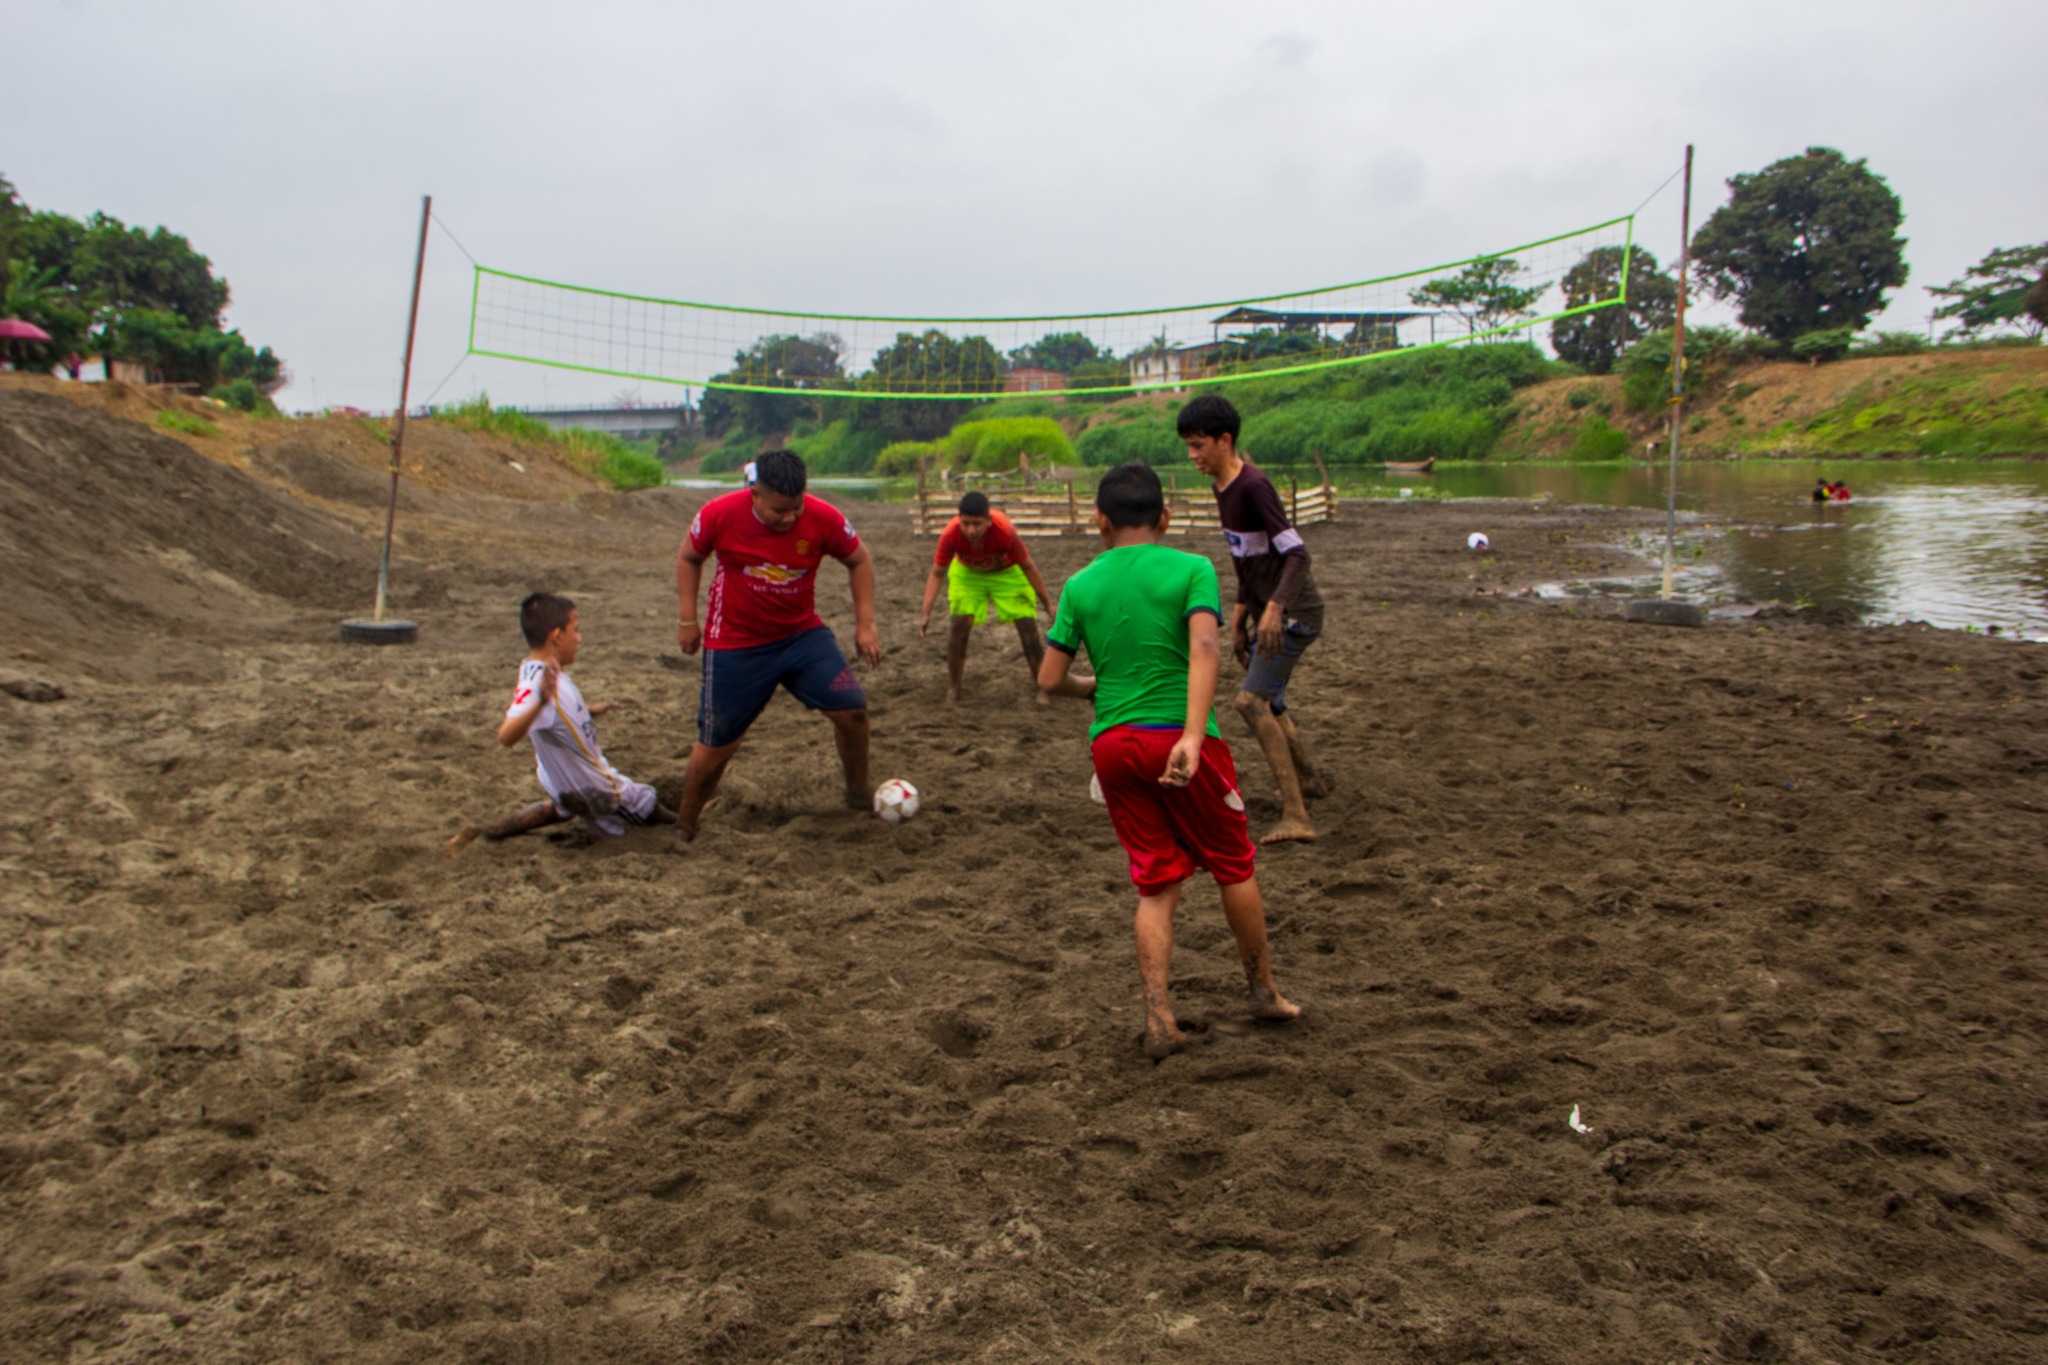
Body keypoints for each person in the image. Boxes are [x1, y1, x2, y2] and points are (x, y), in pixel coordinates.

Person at [1038, 461, 1302, 1059]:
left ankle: (1159, 1019)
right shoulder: (1192, 569)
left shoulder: (1079, 585)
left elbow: (1049, 679)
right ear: (1165, 517)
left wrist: (1093, 688)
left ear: (1099, 521)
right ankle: (1263, 991)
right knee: (1234, 864)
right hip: (1179, 737)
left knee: (1156, 883)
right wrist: (1191, 735)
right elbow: (1205, 646)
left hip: (1113, 747)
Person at [673, 449, 882, 842]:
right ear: (755, 493)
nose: (789, 518)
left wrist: (865, 624)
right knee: (719, 744)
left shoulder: (823, 517)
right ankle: (685, 824)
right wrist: (688, 619)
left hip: (801, 636)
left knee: (853, 711)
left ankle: (857, 796)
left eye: (796, 508)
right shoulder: (719, 513)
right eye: (779, 510)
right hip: (735, 642)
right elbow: (688, 557)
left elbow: (860, 560)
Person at [1176, 393, 1327, 844]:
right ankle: (1309, 779)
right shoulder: (1221, 488)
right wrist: (1241, 618)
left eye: (1199, 445)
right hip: (1265, 612)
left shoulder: (1253, 486)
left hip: (1295, 613)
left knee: (1250, 702)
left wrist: (1275, 609)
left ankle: (1296, 816)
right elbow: (1247, 560)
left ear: (1225, 440)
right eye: (1188, 446)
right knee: (1271, 700)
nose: (1192, 455)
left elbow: (1297, 555)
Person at [445, 592, 673, 854]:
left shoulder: (534, 668)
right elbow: (506, 736)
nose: (579, 638)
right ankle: (685, 821)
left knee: (559, 808)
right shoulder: (539, 686)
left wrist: (587, 711)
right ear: (556, 636)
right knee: (645, 804)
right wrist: (540, 702)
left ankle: (489, 832)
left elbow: (554, 716)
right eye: (575, 630)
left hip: (560, 781)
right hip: (590, 786)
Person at [918, 490, 1064, 704]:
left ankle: (1042, 686)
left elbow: (1027, 566)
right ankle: (953, 688)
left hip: (1006, 571)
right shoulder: (950, 534)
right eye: (965, 523)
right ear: (959, 519)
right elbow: (937, 572)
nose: (970, 530)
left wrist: (1048, 605)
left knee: (1026, 623)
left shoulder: (1004, 532)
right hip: (968, 572)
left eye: (977, 524)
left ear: (988, 520)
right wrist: (926, 613)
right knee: (959, 623)